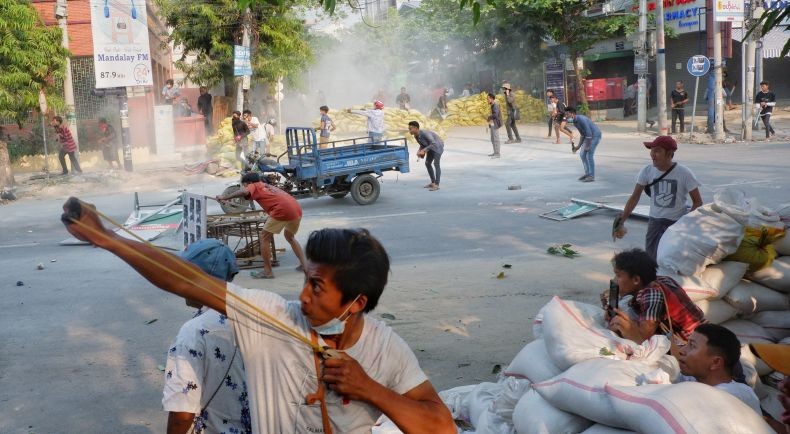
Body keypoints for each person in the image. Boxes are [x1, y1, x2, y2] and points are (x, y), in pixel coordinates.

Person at [60, 199, 456, 434]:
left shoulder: (386, 348)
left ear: (356, 303)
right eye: (305, 279)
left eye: (317, 287)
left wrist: (369, 388)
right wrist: (106, 238)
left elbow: (441, 426)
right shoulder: (273, 319)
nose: (302, 296)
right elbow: (189, 281)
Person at [162, 239, 251, 434]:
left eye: (183, 275)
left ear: (196, 280)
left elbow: (182, 414)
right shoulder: (253, 314)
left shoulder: (193, 332)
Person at [615, 135, 702, 260]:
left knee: (671, 259)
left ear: (669, 154)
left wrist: (685, 224)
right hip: (654, 222)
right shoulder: (647, 171)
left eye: (657, 151)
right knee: (651, 259)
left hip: (676, 223)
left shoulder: (684, 173)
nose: (652, 154)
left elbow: (698, 202)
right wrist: (622, 220)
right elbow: (635, 197)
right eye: (652, 150)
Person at [607, 248, 706, 346]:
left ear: (636, 280)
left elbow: (642, 338)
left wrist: (621, 323)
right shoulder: (661, 281)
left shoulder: (652, 294)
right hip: (702, 335)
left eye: (618, 275)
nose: (614, 280)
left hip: (694, 344)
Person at [216, 172, 306, 279]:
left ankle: (267, 271)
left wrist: (225, 197)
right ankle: (305, 265)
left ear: (249, 182)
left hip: (282, 210)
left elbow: (244, 191)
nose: (245, 186)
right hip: (295, 208)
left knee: (264, 237)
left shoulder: (254, 185)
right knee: (290, 237)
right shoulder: (266, 185)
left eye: (244, 184)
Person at [675, 324, 761, 414]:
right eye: (687, 344)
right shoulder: (691, 381)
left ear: (715, 362)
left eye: (692, 346)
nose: (681, 350)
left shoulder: (731, 398)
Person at [563, 107, 600, 182]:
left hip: (595, 135)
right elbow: (583, 135)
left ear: (572, 113)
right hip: (588, 137)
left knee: (589, 155)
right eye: (565, 114)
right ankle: (587, 174)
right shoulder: (575, 122)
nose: (566, 116)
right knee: (582, 154)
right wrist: (578, 147)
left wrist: (588, 146)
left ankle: (591, 176)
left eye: (567, 114)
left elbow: (589, 133)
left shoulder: (581, 119)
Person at [408, 121, 443, 191]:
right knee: (427, 163)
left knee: (436, 164)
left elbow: (433, 143)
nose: (409, 131)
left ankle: (437, 184)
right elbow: (422, 144)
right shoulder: (416, 136)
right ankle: (433, 182)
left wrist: (424, 150)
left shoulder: (424, 133)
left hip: (437, 147)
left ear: (416, 128)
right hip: (430, 148)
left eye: (410, 129)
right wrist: (419, 150)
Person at [487, 93, 502, 158]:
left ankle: (497, 153)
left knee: (496, 139)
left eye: (488, 99)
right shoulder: (492, 105)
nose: (487, 100)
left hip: (495, 124)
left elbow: (495, 115)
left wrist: (489, 117)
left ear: (492, 99)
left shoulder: (495, 105)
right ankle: (495, 152)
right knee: (492, 138)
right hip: (492, 124)